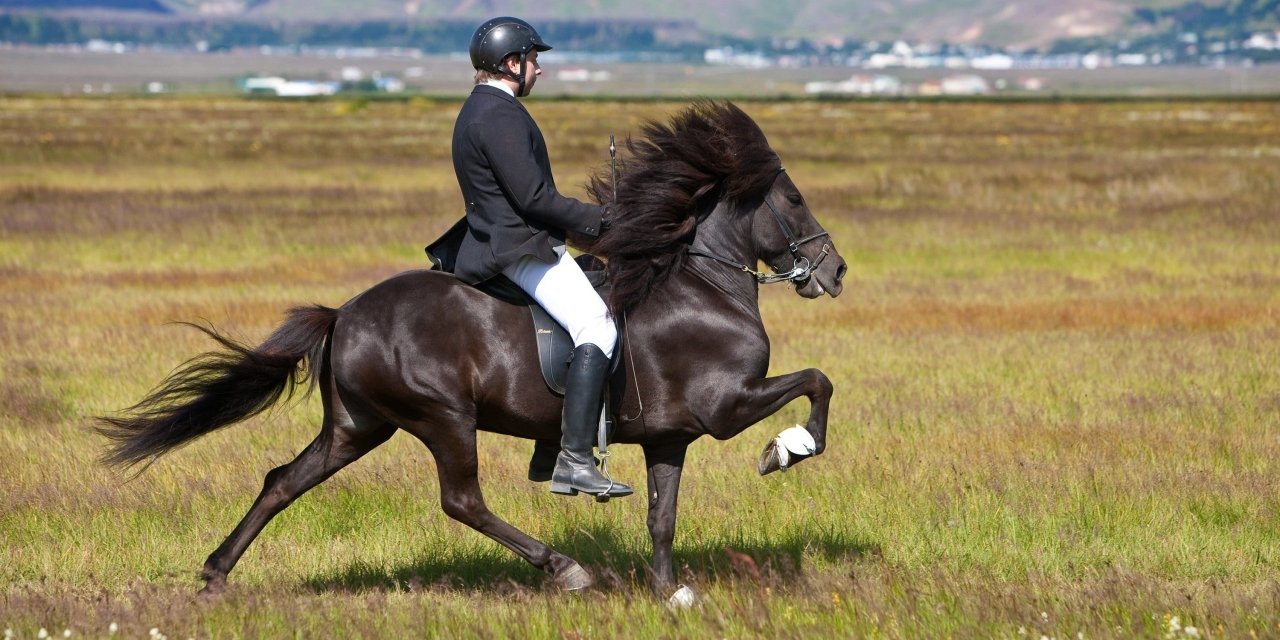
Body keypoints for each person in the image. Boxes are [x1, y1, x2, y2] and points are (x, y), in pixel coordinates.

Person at [437, 16, 631, 499]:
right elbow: (535, 199)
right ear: (511, 63)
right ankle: (574, 460)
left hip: (503, 240)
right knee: (597, 326)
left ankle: (550, 441)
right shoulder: (498, 115)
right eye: (534, 59)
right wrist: (601, 219)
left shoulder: (478, 109)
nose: (539, 69)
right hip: (516, 247)